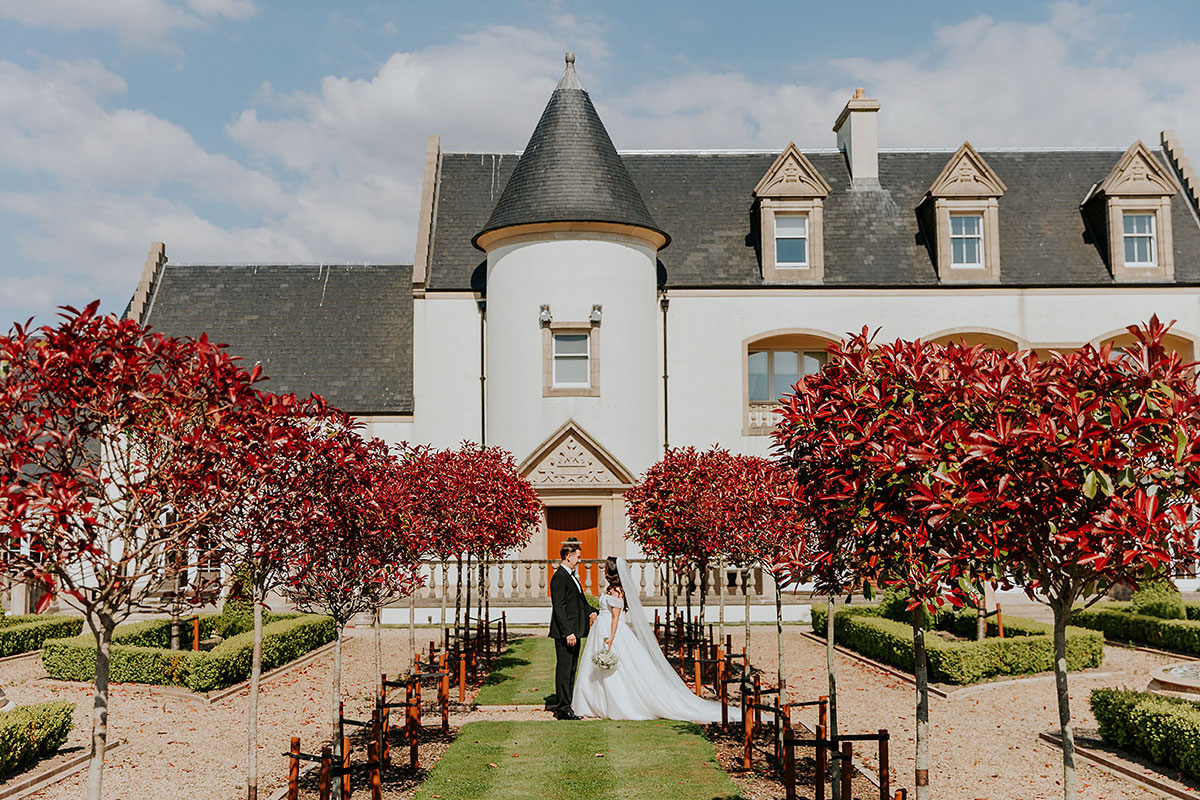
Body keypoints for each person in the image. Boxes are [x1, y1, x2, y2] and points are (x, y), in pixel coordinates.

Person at [572, 556, 739, 723]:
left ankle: (617, 704)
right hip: (600, 629)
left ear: (611, 570)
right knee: (597, 669)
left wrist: (611, 638)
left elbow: (615, 617)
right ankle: (596, 702)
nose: (602, 569)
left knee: (617, 669)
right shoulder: (610, 589)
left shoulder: (617, 591)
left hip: (610, 631)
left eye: (605, 567)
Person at [548, 540, 596, 720]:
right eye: (578, 557)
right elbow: (559, 607)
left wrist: (593, 612)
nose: (580, 561)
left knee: (571, 669)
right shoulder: (559, 577)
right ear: (568, 557)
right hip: (566, 634)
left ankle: (568, 704)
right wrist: (568, 631)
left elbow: (580, 602)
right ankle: (562, 708)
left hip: (575, 631)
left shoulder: (572, 576)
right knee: (564, 669)